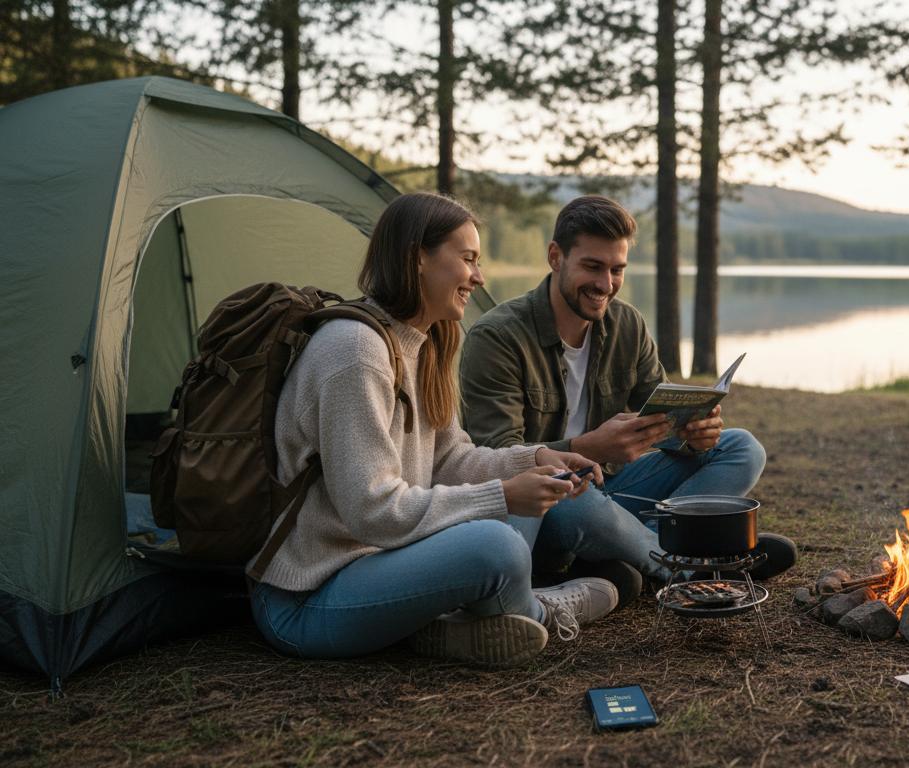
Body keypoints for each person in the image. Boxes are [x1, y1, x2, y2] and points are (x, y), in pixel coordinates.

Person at [247, 192, 618, 668]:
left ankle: (451, 627)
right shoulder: (355, 350)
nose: (478, 277)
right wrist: (503, 495)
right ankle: (540, 610)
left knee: (519, 507)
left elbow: (450, 460)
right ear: (418, 257)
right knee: (497, 542)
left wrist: (534, 458)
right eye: (467, 259)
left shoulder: (424, 343)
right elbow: (373, 511)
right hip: (310, 598)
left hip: (381, 562)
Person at [460, 195, 796, 602]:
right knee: (571, 494)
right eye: (592, 266)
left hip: (616, 492)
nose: (605, 285)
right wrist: (585, 449)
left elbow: (661, 421)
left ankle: (623, 554)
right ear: (555, 257)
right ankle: (684, 566)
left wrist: (693, 432)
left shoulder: (626, 324)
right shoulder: (498, 337)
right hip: (546, 509)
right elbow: (495, 456)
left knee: (742, 447)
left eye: (617, 269)